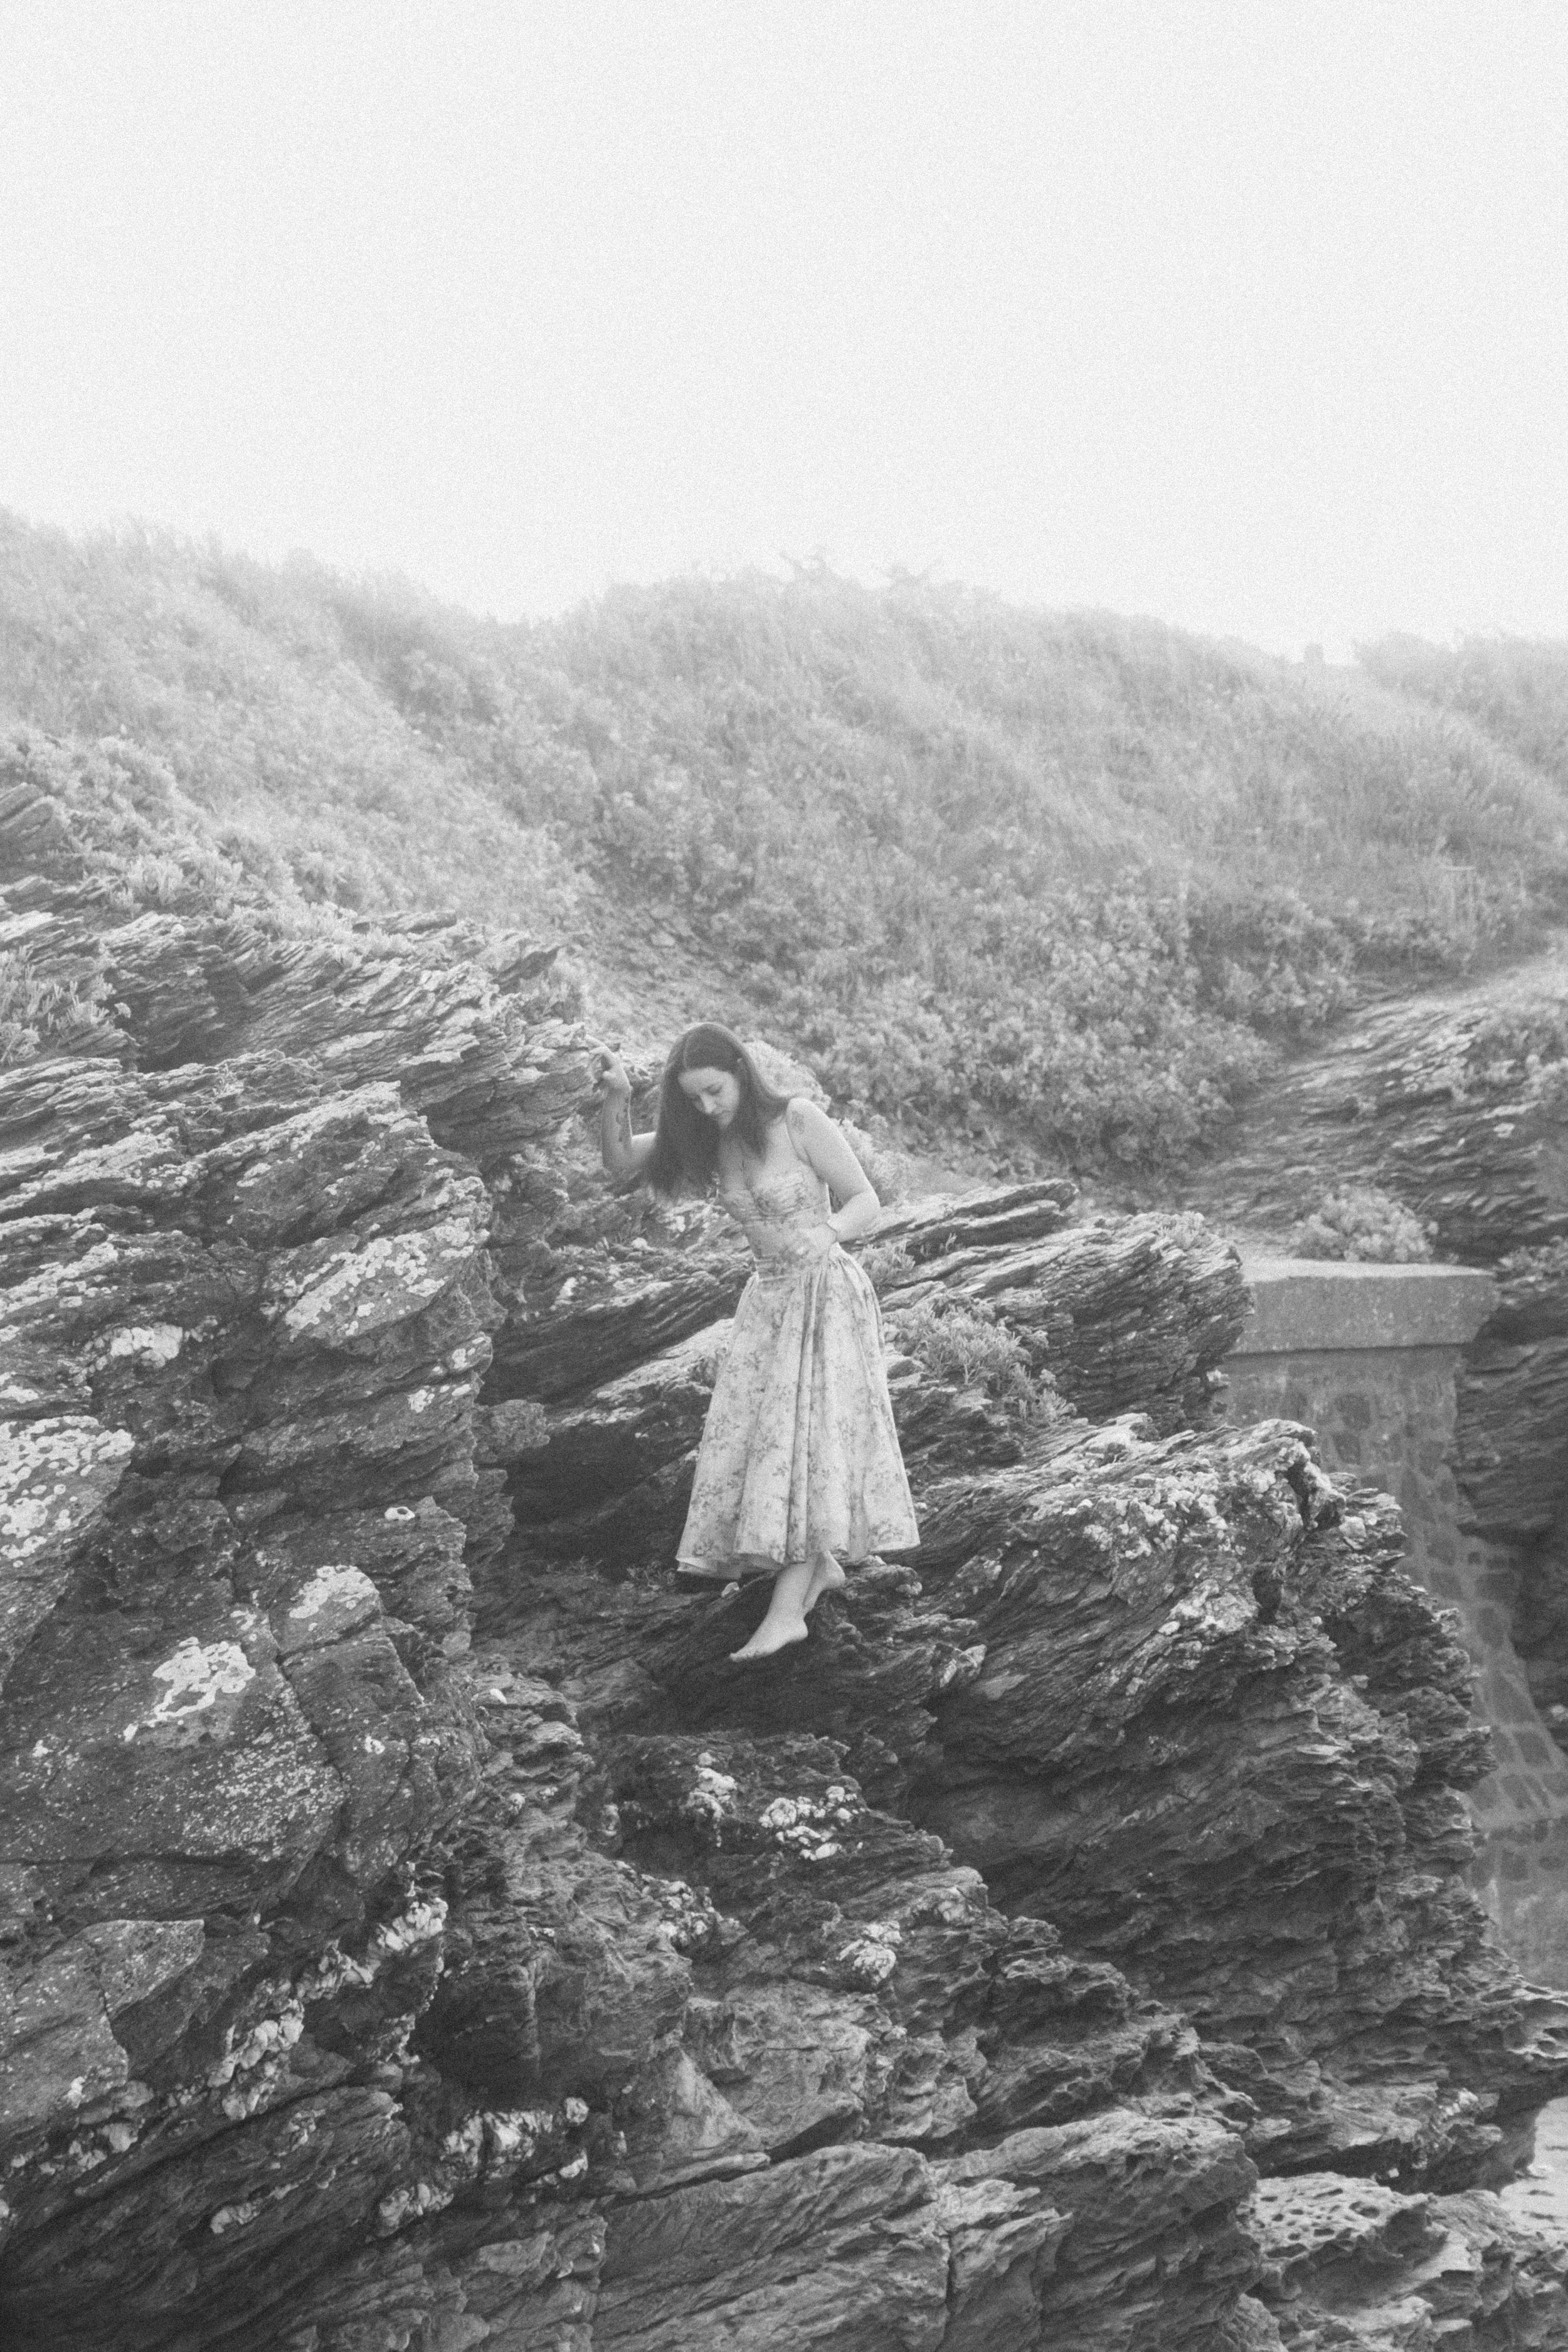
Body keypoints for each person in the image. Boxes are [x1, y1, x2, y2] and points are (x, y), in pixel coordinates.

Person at [590, 1023, 919, 1661]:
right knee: (771, 1444)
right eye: (695, 1099)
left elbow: (865, 1202)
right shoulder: (711, 1142)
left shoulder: (796, 1118)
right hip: (768, 1301)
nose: (708, 1107)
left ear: (739, 1070)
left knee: (813, 1442)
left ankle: (786, 1612)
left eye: (715, 1091)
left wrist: (825, 1233)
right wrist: (617, 1096)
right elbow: (621, 1161)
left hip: (826, 1294)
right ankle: (816, 1570)